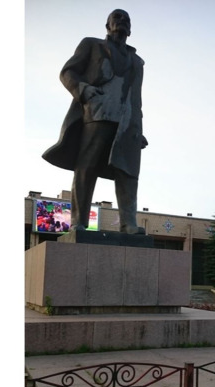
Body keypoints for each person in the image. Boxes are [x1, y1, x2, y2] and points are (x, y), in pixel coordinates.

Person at [42, 9, 148, 234]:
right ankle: (79, 222)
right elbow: (67, 72)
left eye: (127, 20)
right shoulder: (91, 45)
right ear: (107, 25)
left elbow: (136, 98)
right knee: (86, 168)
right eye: (117, 18)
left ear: (131, 29)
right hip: (96, 115)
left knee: (128, 173)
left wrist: (138, 128)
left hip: (126, 122)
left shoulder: (137, 61)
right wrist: (83, 89)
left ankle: (128, 223)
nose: (122, 21)